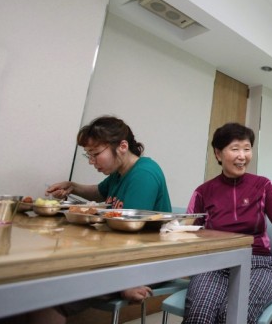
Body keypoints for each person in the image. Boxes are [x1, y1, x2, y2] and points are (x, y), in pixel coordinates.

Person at [23, 115, 172, 324]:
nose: (91, 161)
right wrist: (73, 186)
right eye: (88, 155)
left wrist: (123, 281)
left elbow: (129, 232)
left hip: (143, 262)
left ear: (122, 146)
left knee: (49, 297)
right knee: (42, 278)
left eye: (95, 154)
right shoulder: (119, 172)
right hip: (118, 256)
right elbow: (100, 192)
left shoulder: (144, 174)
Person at [184, 122, 272, 324]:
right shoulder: (203, 192)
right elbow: (189, 231)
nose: (242, 156)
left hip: (258, 263)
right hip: (214, 264)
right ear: (218, 154)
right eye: (235, 149)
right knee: (199, 316)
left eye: (247, 149)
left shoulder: (262, 185)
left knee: (232, 315)